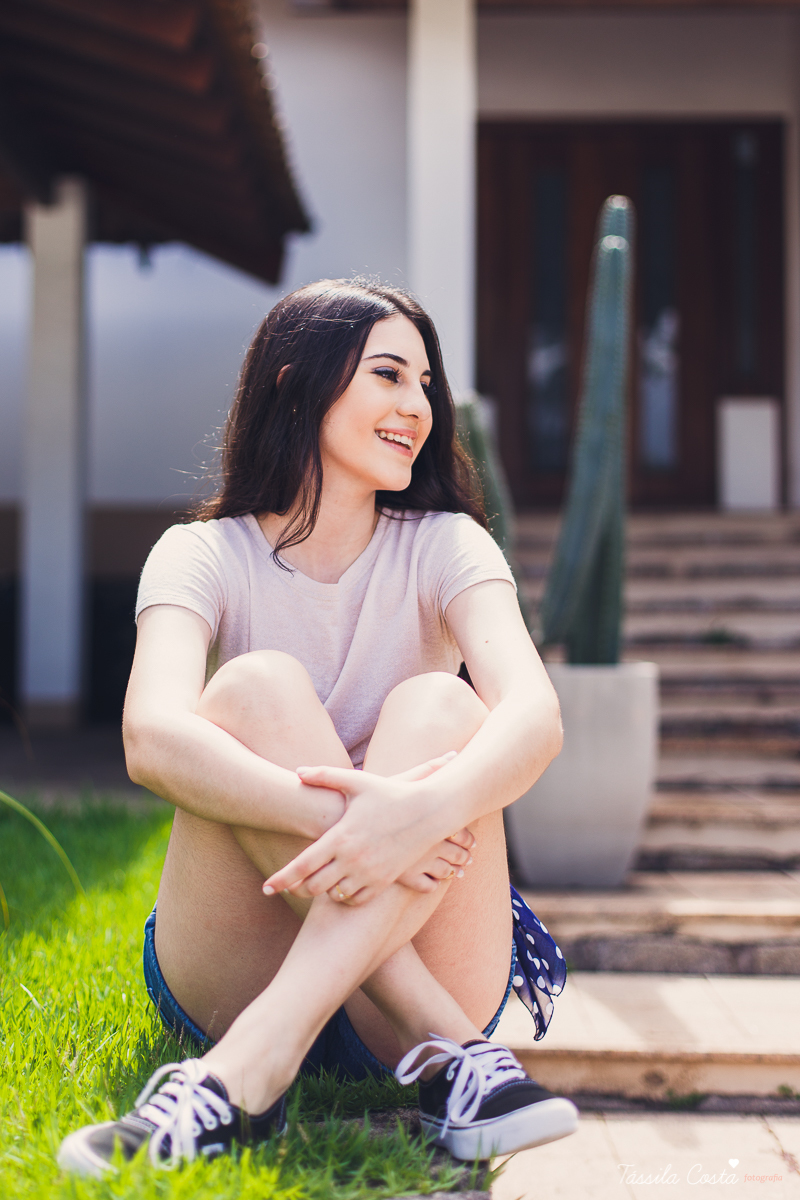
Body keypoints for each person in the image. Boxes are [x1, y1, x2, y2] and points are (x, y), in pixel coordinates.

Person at [58, 279, 578, 1177]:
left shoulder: (447, 544)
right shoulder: (202, 554)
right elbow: (151, 737)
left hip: (422, 967)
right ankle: (456, 1061)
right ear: (297, 382)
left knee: (443, 707)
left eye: (425, 384)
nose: (417, 407)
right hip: (235, 968)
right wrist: (357, 828)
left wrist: (420, 812)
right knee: (253, 689)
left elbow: (534, 717)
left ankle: (245, 1074)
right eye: (389, 375)